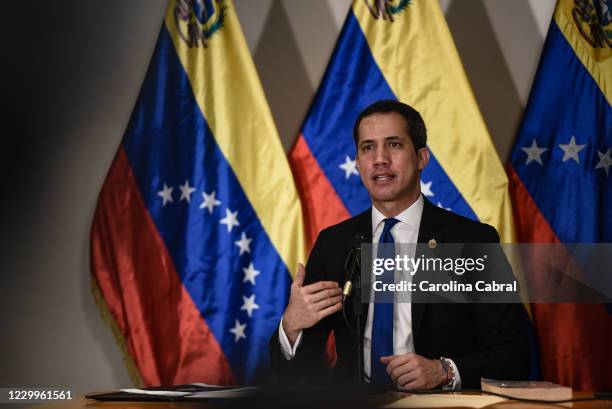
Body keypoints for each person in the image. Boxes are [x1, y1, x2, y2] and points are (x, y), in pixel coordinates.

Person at [269, 100, 529, 390]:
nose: (380, 159)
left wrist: (445, 371)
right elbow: (294, 369)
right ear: (357, 162)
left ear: (421, 158)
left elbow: (517, 353)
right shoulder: (335, 243)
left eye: (393, 144)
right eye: (368, 147)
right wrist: (291, 326)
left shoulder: (471, 241)